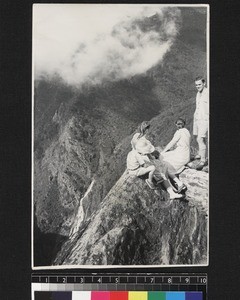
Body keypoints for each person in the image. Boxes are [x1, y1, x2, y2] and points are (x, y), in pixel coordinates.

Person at [161, 118, 191, 192]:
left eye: (180, 124)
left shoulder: (179, 132)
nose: (179, 125)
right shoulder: (187, 131)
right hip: (186, 153)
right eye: (178, 124)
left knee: (165, 165)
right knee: (165, 158)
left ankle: (179, 183)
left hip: (181, 155)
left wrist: (163, 151)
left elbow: (172, 142)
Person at [193, 76, 209, 170]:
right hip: (197, 118)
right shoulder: (198, 93)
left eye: (199, 84)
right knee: (196, 136)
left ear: (204, 83)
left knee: (200, 138)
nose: (198, 86)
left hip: (205, 119)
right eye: (196, 85)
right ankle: (200, 153)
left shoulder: (208, 93)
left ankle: (203, 160)